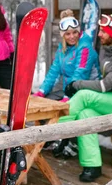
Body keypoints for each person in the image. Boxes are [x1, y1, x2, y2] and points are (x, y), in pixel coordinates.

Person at [60, 13, 112, 182]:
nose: (99, 34)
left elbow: (105, 85)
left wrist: (77, 84)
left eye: (103, 31)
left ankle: (53, 131)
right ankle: (92, 165)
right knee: (86, 115)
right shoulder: (108, 49)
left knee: (83, 95)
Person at [33, 9, 100, 159]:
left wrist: (66, 96)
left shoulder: (85, 48)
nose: (72, 37)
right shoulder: (62, 49)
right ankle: (50, 137)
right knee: (44, 102)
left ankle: (71, 141)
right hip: (69, 89)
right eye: (68, 34)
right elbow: (54, 71)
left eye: (74, 33)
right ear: (63, 35)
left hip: (86, 90)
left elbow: (79, 75)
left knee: (67, 109)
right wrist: (42, 91)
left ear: (78, 32)